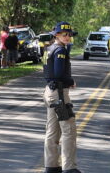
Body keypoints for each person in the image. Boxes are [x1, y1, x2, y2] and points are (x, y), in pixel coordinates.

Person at [42, 21, 81, 173]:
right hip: (58, 93)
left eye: (69, 35)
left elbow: (49, 72)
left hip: (49, 91)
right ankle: (69, 167)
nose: (67, 37)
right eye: (64, 34)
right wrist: (70, 81)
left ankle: (51, 166)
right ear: (56, 35)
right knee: (68, 129)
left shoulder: (49, 48)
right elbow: (58, 74)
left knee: (52, 130)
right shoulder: (60, 50)